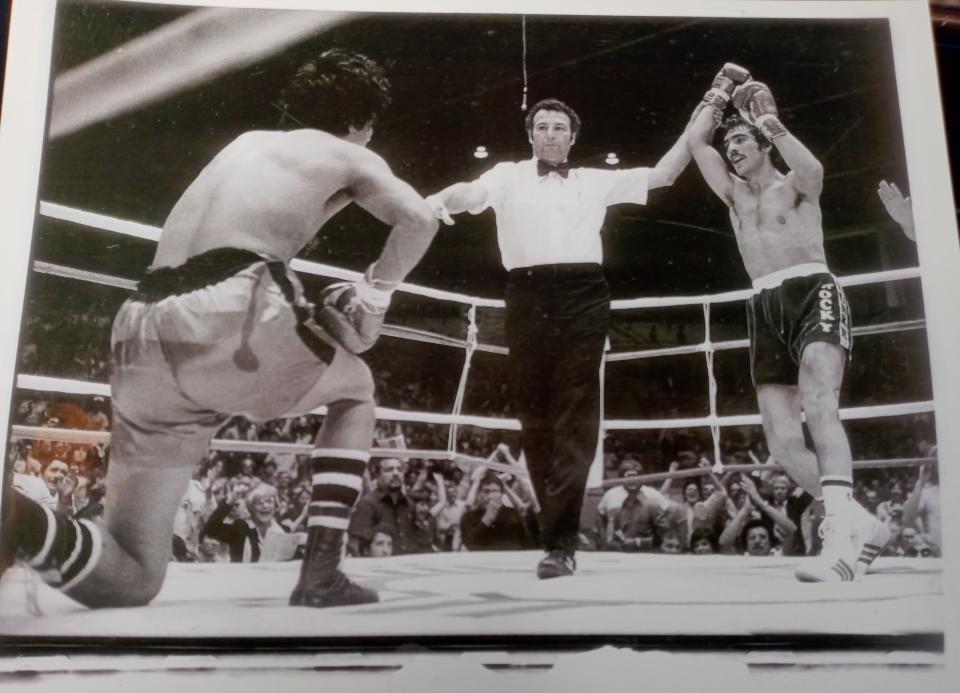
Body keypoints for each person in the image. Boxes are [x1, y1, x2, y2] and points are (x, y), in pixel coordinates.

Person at [0, 49, 438, 608]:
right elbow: (419, 218)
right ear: (364, 124)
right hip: (227, 308)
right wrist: (374, 293)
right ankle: (322, 573)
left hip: (138, 325)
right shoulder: (347, 152)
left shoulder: (244, 146)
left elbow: (264, 232)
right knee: (355, 389)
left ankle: (19, 518)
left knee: (133, 576)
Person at [425, 96, 692, 578]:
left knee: (575, 411)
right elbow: (468, 192)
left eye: (559, 128)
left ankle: (561, 543)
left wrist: (706, 111)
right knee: (535, 418)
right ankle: (556, 535)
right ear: (531, 136)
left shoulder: (594, 180)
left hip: (583, 293)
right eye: (542, 126)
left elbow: (666, 174)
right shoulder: (506, 175)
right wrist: (439, 200)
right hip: (526, 295)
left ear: (573, 137)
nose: (550, 134)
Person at [686, 69, 890, 581]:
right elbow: (694, 141)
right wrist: (719, 91)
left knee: (820, 405)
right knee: (780, 440)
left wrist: (771, 121)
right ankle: (862, 521)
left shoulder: (794, 184)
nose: (730, 147)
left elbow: (815, 168)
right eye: (728, 140)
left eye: (739, 139)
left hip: (813, 291)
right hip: (764, 306)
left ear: (762, 144)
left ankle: (840, 540)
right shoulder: (732, 195)